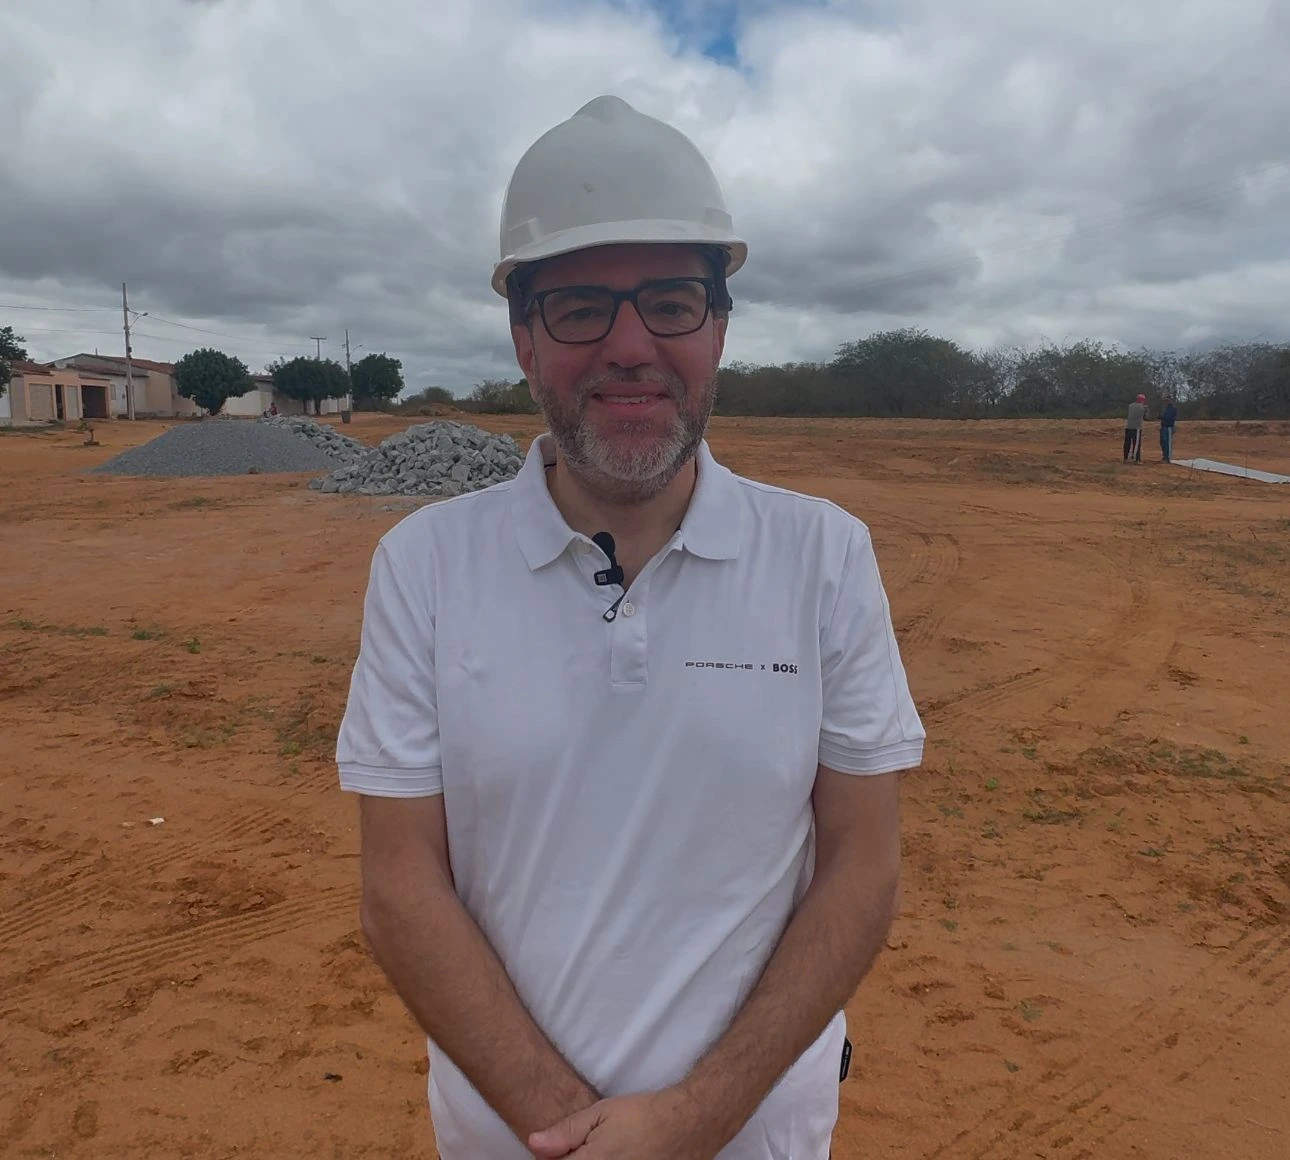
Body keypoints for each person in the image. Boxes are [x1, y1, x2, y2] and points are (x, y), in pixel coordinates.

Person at [335, 94, 925, 1160]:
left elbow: (861, 863)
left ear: (719, 329)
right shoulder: (423, 567)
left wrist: (693, 1122)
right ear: (524, 340)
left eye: (670, 303)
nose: (630, 347)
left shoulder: (825, 557)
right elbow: (399, 887)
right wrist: (569, 1129)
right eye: (579, 310)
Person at [1124, 393, 1147, 462]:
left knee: (1127, 443)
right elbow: (1146, 417)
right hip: (1136, 427)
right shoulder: (1142, 407)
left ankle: (1126, 457)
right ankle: (1136, 459)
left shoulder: (1130, 406)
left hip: (1128, 426)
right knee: (1136, 443)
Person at [1159, 396, 1177, 463]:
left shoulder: (1173, 409)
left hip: (1169, 427)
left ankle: (1168, 458)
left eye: (1168, 400)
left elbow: (1170, 418)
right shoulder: (1165, 408)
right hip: (1163, 427)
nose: (1166, 402)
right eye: (1166, 400)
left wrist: (1162, 417)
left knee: (1168, 443)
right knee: (1163, 442)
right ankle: (1164, 456)